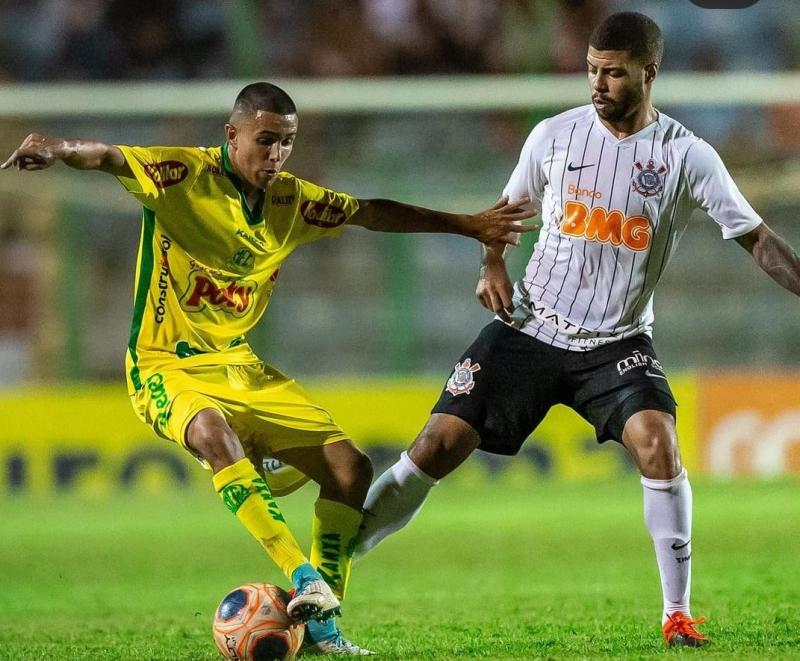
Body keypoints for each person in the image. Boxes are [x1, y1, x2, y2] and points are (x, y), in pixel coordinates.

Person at [1, 82, 534, 655]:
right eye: (265, 141)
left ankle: (324, 628)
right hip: (165, 365)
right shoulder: (182, 176)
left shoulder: (292, 201)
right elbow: (106, 156)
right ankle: (303, 576)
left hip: (241, 367)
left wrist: (467, 224)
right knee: (210, 431)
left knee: (350, 467)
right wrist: (56, 149)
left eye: (287, 143)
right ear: (232, 136)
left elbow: (371, 212)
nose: (277, 155)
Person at [355, 11, 800, 649]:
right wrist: (490, 265)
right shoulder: (554, 137)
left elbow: (757, 240)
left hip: (616, 342)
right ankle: (329, 574)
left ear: (649, 73)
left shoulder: (686, 155)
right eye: (592, 70)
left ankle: (677, 612)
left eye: (613, 73)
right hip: (531, 326)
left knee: (659, 445)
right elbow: (503, 219)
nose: (597, 83)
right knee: (436, 445)